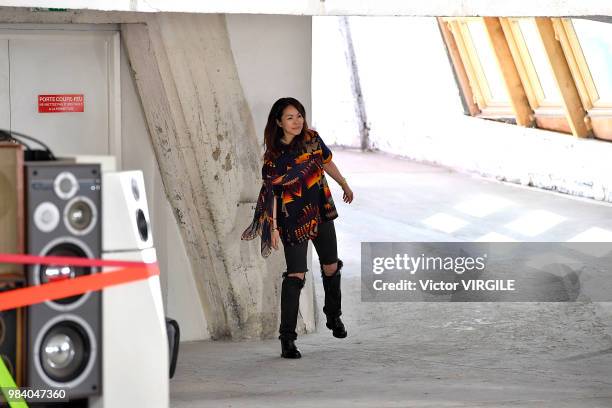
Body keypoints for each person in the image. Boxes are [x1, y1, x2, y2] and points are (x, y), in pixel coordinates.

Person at [242, 97, 354, 359]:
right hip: (292, 218)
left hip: (321, 210)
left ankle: (333, 316)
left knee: (331, 265)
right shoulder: (273, 157)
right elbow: (270, 194)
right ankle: (287, 339)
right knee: (296, 275)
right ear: (279, 122)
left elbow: (326, 162)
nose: (296, 121)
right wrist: (274, 228)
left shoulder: (312, 139)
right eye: (290, 117)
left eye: (299, 116)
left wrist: (343, 184)